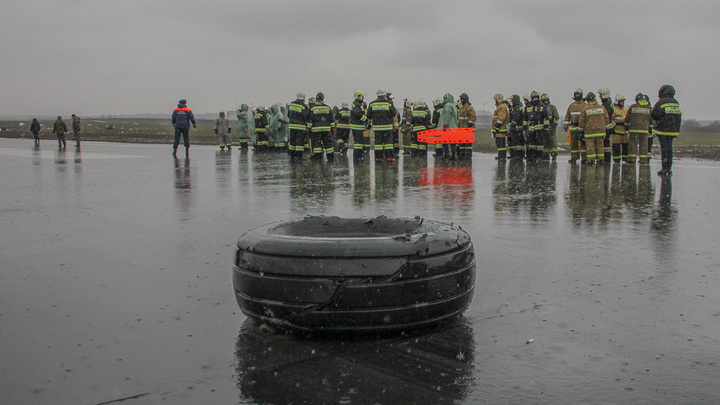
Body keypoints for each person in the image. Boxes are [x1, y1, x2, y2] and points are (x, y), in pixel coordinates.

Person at [651, 85, 682, 176]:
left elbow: (654, 114)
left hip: (663, 130)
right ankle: (669, 167)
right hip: (673, 130)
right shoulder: (676, 103)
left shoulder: (661, 102)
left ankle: (664, 167)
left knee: (664, 148)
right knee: (669, 147)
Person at [578, 92, 609, 164]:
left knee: (590, 146)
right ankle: (601, 159)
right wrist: (606, 128)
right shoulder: (602, 108)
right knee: (600, 145)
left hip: (589, 132)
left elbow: (582, 121)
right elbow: (606, 118)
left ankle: (591, 160)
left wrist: (580, 130)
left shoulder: (585, 109)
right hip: (600, 131)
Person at [367, 88, 398, 162]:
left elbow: (368, 115)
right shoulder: (389, 104)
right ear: (384, 95)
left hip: (377, 127)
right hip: (387, 127)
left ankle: (378, 157)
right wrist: (395, 126)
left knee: (378, 143)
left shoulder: (372, 104)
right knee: (388, 143)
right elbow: (394, 114)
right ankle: (389, 156)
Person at [624, 93, 653, 164]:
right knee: (644, 145)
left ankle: (631, 159)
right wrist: (650, 129)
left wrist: (626, 128)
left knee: (632, 145)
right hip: (644, 130)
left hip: (633, 130)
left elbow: (627, 119)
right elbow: (651, 120)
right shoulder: (648, 108)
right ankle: (643, 160)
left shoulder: (632, 107)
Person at [309, 92, 336, 161]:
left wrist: (309, 128)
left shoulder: (312, 108)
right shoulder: (327, 108)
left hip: (316, 130)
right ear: (323, 98)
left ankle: (318, 158)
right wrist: (333, 129)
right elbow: (332, 120)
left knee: (317, 145)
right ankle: (330, 158)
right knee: (328, 145)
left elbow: (309, 119)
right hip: (326, 130)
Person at [522, 91, 548, 162]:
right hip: (531, 129)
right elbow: (525, 117)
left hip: (540, 128)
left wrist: (545, 126)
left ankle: (539, 156)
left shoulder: (542, 106)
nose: (535, 99)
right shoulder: (528, 106)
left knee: (539, 144)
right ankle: (532, 156)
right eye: (534, 98)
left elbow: (546, 117)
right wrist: (524, 125)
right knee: (531, 144)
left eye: (536, 98)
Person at [563, 89, 587, 163]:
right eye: (576, 94)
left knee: (583, 144)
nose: (577, 96)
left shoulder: (585, 105)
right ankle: (574, 157)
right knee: (573, 144)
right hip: (573, 128)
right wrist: (565, 125)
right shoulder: (572, 106)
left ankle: (584, 158)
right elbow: (567, 116)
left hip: (581, 128)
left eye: (578, 95)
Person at [287, 93, 311, 161]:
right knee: (299, 143)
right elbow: (306, 117)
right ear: (303, 98)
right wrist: (308, 126)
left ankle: (292, 156)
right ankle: (299, 157)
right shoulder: (303, 106)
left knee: (292, 142)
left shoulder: (291, 104)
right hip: (301, 127)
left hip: (292, 126)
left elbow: (288, 114)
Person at [438, 93, 459, 160]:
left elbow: (447, 115)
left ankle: (447, 154)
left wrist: (445, 125)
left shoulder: (447, 106)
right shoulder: (453, 106)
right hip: (453, 127)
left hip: (448, 128)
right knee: (452, 142)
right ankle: (453, 154)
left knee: (445, 141)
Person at [349, 90, 369, 161]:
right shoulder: (357, 104)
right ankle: (357, 157)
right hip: (357, 126)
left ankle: (358, 156)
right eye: (362, 96)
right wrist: (366, 119)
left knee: (359, 142)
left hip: (357, 126)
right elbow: (358, 114)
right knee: (358, 142)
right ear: (359, 96)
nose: (363, 98)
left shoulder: (357, 103)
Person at [457, 93, 476, 159]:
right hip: (462, 129)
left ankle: (468, 155)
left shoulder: (469, 108)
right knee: (462, 143)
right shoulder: (461, 108)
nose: (461, 101)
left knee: (468, 143)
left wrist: (469, 125)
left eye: (462, 99)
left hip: (468, 129)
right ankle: (462, 154)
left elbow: (473, 117)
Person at [610, 94, 628, 163]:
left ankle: (625, 159)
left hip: (624, 132)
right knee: (616, 147)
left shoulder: (625, 109)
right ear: (617, 101)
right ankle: (616, 161)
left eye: (623, 101)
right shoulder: (613, 109)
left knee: (625, 147)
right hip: (616, 132)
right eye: (621, 101)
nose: (622, 103)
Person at [541, 93, 559, 160]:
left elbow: (556, 116)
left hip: (552, 127)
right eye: (544, 101)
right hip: (544, 128)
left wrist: (554, 124)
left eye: (547, 100)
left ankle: (554, 154)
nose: (546, 102)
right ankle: (545, 154)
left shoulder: (552, 107)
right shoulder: (541, 108)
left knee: (553, 141)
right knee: (545, 141)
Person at [491, 93, 509, 160]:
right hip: (499, 129)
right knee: (499, 143)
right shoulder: (500, 107)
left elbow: (502, 117)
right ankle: (501, 155)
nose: (495, 101)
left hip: (501, 129)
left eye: (495, 100)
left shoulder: (502, 107)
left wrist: (497, 125)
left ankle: (502, 156)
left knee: (501, 144)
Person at [507, 95, 525, 160]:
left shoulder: (517, 108)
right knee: (516, 143)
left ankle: (518, 155)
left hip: (518, 129)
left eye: (512, 100)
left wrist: (512, 126)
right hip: (517, 129)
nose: (512, 102)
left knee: (518, 143)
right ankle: (517, 155)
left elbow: (516, 118)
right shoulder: (517, 107)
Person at [599, 88, 613, 162]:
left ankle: (606, 159)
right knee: (606, 142)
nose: (599, 97)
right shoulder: (608, 102)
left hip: (607, 126)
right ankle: (606, 158)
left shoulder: (606, 104)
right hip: (607, 125)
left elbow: (605, 114)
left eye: (600, 95)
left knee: (605, 143)